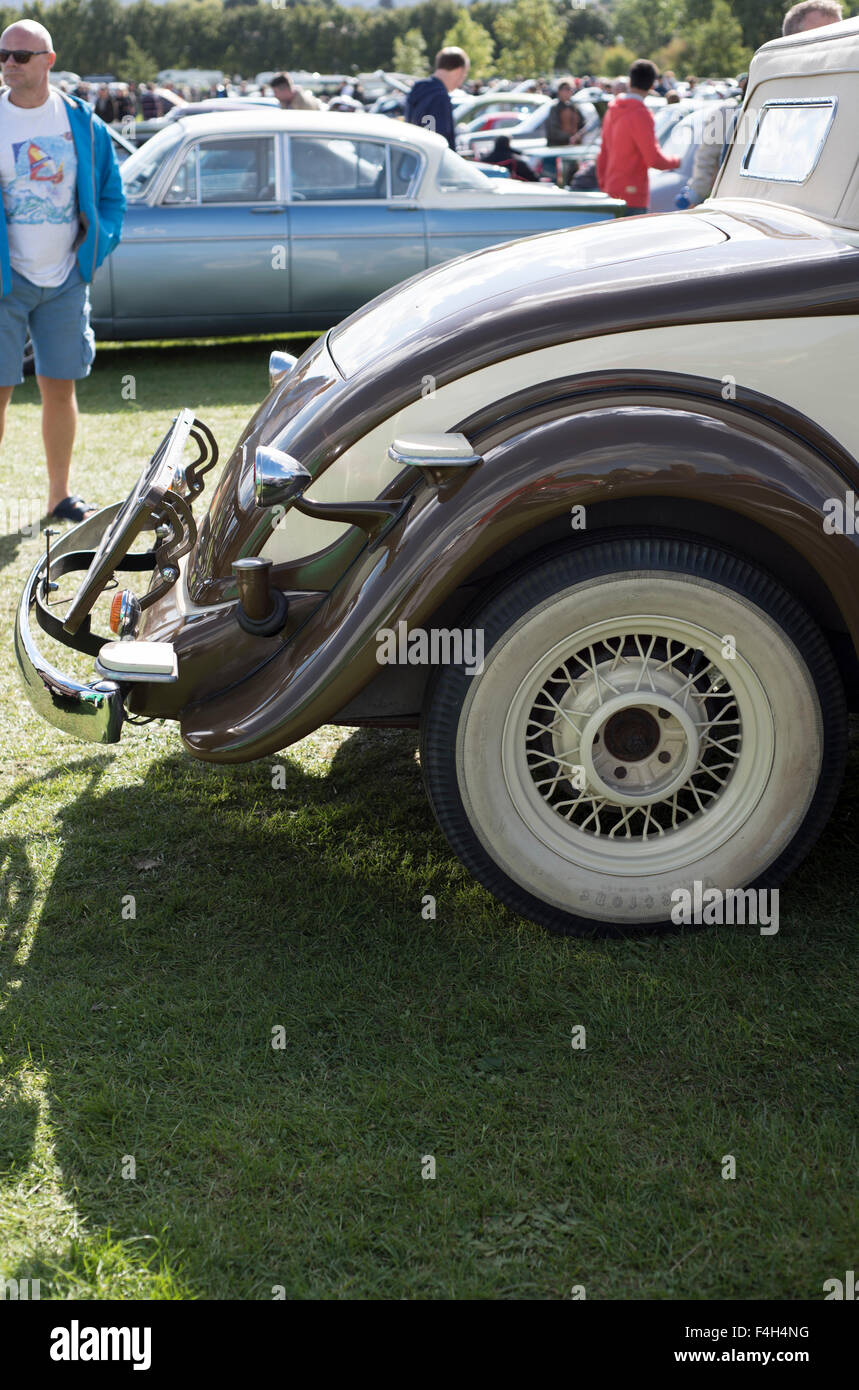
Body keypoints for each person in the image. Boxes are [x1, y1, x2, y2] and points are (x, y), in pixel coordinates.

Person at [0, 19, 125, 522]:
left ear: (49, 61)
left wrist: (94, 245)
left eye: (20, 56)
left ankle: (59, 496)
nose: (8, 63)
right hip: (6, 283)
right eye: (2, 54)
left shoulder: (82, 122)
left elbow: (112, 199)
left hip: (66, 279)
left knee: (61, 386)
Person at [595, 58, 681, 215]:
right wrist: (678, 161)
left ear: (630, 81)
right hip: (633, 195)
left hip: (612, 189)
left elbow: (603, 153)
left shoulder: (612, 110)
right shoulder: (640, 113)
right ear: (652, 85)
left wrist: (604, 185)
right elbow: (654, 159)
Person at [675, 75, 748, 209]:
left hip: (729, 196)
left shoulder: (727, 112)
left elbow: (706, 157)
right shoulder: (729, 111)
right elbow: (707, 157)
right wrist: (697, 193)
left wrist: (696, 194)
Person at [404, 46, 469, 151]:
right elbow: (438, 143)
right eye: (465, 74)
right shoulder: (439, 97)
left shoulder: (417, 89)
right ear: (459, 71)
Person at [546, 79, 584, 147]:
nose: (570, 92)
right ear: (559, 91)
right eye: (567, 89)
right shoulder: (555, 108)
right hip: (558, 146)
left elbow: (582, 124)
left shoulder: (574, 107)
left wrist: (578, 136)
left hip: (573, 146)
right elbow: (553, 130)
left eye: (571, 89)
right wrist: (569, 138)